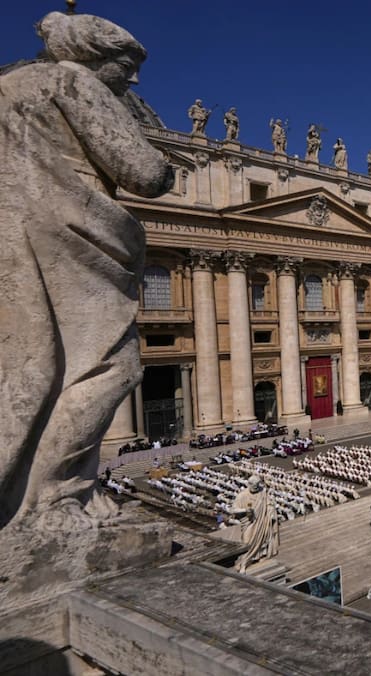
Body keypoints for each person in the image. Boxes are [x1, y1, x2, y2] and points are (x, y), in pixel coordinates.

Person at [0, 10, 175, 530]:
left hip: (13, 235)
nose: (135, 79)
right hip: (69, 234)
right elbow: (143, 172)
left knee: (30, 370)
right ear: (92, 55)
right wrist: (166, 169)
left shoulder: (9, 88)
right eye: (127, 64)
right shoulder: (72, 82)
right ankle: (56, 496)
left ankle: (17, 498)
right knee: (108, 367)